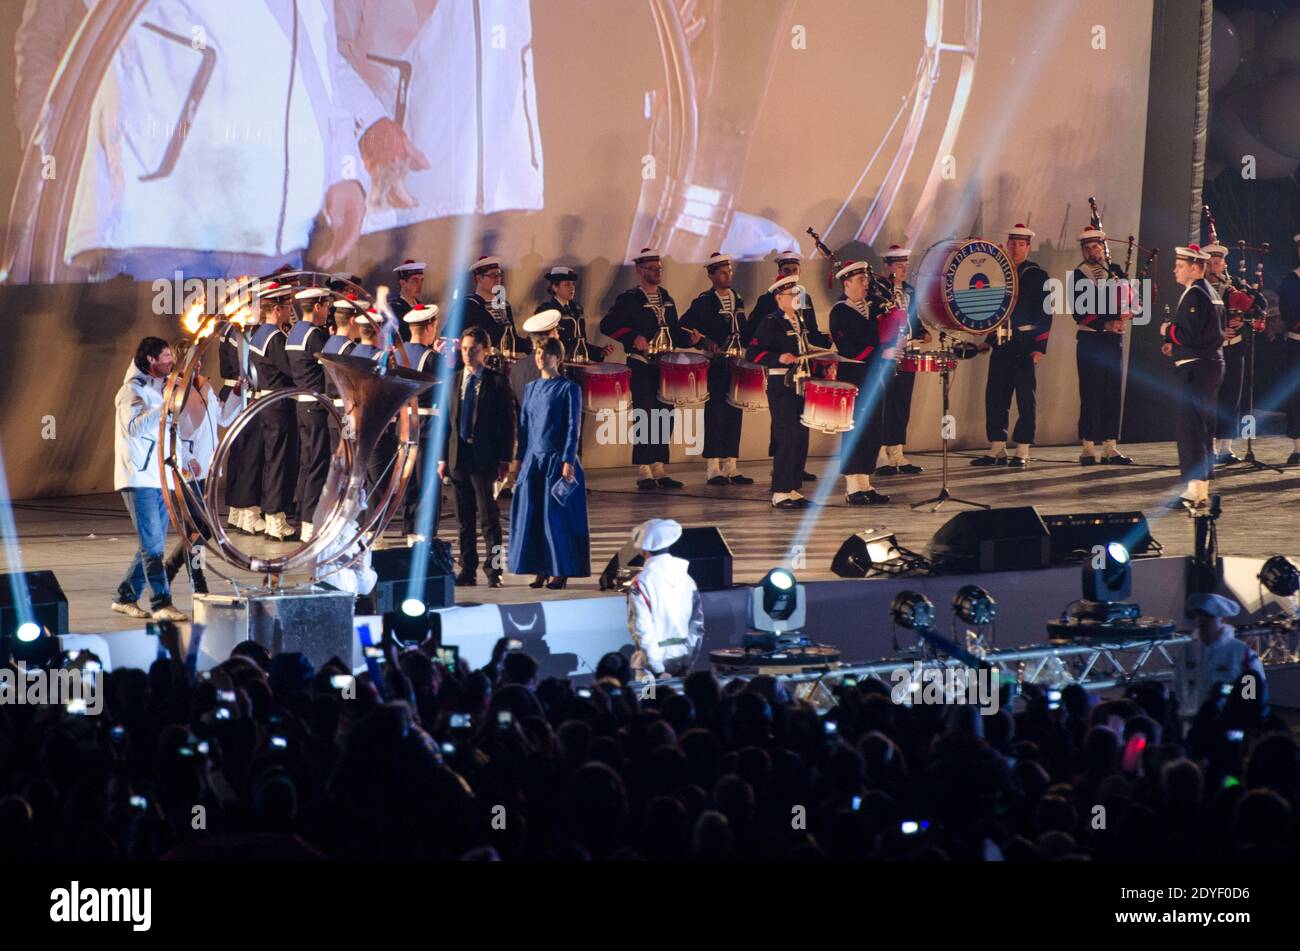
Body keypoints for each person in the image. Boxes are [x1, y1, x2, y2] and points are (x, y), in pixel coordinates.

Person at [600, 248, 696, 490]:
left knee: (665, 415)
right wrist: (633, 337)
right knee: (645, 414)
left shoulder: (667, 298)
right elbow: (607, 324)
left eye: (659, 268)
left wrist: (689, 340)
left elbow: (673, 331)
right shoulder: (629, 298)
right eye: (652, 269)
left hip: (665, 365)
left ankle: (659, 467)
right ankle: (644, 469)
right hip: (641, 364)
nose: (657, 272)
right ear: (640, 271)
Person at [112, 337, 187, 623]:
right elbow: (132, 428)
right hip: (138, 477)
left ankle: (124, 597)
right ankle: (161, 604)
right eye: (166, 356)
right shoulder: (131, 390)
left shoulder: (160, 386)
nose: (171, 361)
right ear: (151, 360)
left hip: (160, 477)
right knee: (153, 547)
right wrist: (164, 408)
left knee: (151, 543)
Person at [508, 336, 590, 590]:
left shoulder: (569, 388)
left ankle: (560, 570)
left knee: (555, 519)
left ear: (558, 357)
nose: (540, 357)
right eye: (537, 353)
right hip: (534, 460)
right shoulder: (531, 387)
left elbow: (572, 427)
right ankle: (540, 568)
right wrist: (518, 459)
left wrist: (568, 459)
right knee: (533, 517)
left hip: (557, 460)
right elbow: (524, 426)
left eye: (545, 353)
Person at [970, 224, 1053, 468]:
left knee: (1026, 399)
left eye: (1020, 244)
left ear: (1028, 247)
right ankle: (997, 449)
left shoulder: (1038, 276)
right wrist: (987, 341)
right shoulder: (998, 274)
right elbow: (994, 311)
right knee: (995, 396)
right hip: (1002, 343)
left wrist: (1040, 347)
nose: (1015, 248)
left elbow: (1046, 313)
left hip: (1026, 344)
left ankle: (1023, 449)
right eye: (1012, 243)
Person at [439, 327, 516, 588]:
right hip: (458, 457)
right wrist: (442, 459)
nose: (468, 354)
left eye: (473, 349)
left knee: (489, 519)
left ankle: (494, 571)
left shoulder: (497, 382)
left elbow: (508, 423)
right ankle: (467, 568)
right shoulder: (453, 380)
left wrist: (505, 458)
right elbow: (445, 424)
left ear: (485, 350)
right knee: (464, 520)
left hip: (485, 458)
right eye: (464, 349)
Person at [747, 275, 828, 508]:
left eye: (797, 293)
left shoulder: (799, 320)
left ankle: (793, 488)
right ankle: (780, 491)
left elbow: (802, 347)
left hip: (801, 383)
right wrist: (778, 358)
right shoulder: (771, 322)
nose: (796, 298)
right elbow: (753, 354)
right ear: (779, 297)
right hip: (781, 384)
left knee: (801, 436)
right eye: (792, 294)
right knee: (786, 435)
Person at [163, 357, 241, 595]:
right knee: (201, 528)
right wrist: (187, 458)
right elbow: (168, 431)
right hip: (187, 470)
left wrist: (237, 392)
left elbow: (224, 418)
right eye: (191, 362)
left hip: (207, 468)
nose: (197, 366)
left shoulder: (204, 386)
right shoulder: (172, 391)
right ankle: (198, 581)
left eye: (198, 361)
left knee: (198, 531)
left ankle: (168, 570)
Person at [1161, 244, 1225, 511]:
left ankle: (1194, 490)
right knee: (1202, 428)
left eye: (1180, 265)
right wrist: (1174, 343)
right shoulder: (1208, 293)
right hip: (1208, 366)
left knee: (1191, 429)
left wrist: (1168, 330)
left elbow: (1193, 335)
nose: (1175, 269)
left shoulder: (1196, 295)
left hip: (1197, 368)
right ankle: (1199, 490)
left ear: (1195, 268)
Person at [682, 251, 752, 486]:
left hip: (735, 363)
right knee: (715, 413)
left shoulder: (737, 299)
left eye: (729, 271)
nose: (727, 275)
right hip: (714, 364)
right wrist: (703, 341)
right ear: (711, 275)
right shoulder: (703, 301)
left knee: (735, 411)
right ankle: (713, 466)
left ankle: (731, 465)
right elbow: (684, 326)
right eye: (722, 272)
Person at [829, 261, 892, 505]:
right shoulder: (840, 311)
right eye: (860, 280)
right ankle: (852, 485)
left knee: (874, 427)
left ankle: (865, 481)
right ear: (847, 283)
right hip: (853, 376)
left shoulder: (874, 306)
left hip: (874, 374)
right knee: (855, 429)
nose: (866, 284)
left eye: (866, 279)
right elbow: (848, 348)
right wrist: (879, 351)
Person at [1073, 227, 1133, 465]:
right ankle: (1088, 447)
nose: (1091, 252)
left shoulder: (1116, 271)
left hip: (1113, 341)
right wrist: (1106, 323)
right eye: (1087, 248)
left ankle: (1110, 447)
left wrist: (1129, 310)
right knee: (1090, 392)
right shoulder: (1079, 275)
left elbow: (1131, 300)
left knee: (1112, 392)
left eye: (1095, 247)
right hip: (1090, 340)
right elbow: (1079, 313)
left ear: (1102, 248)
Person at [246, 282, 298, 540]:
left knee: (271, 462)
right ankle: (276, 518)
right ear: (277, 309)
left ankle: (272, 516)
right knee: (278, 462)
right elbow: (292, 370)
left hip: (267, 405)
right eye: (288, 306)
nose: (291, 310)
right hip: (278, 405)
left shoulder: (258, 333)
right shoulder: (275, 338)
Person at [628, 519, 704, 681]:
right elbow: (697, 626)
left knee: (648, 703)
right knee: (677, 704)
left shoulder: (642, 582)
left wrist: (657, 669)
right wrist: (688, 661)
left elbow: (642, 628)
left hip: (651, 668)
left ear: (643, 550)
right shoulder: (687, 579)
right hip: (682, 658)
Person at [876, 245, 928, 475]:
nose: (903, 270)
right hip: (885, 353)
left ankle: (897, 451)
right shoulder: (876, 290)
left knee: (901, 401)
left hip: (906, 350)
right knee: (882, 402)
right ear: (886, 266)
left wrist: (922, 332)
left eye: (905, 265)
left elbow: (913, 319)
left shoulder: (909, 291)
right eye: (898, 265)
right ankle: (878, 452)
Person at [287, 288, 332, 543]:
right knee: (317, 464)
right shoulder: (315, 335)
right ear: (316, 306)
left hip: (302, 404)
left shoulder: (295, 332)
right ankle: (309, 522)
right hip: (316, 405)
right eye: (326, 306)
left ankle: (303, 516)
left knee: (307, 464)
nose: (327, 311)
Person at [400, 303, 444, 546]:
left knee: (408, 481)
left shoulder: (398, 352)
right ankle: (424, 533)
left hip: (404, 424)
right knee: (427, 482)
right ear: (429, 326)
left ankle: (410, 531)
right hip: (427, 424)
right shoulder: (432, 358)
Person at [218, 308, 265, 536]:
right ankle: (247, 511)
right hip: (241, 394)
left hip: (236, 391)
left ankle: (237, 509)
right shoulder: (240, 329)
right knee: (248, 455)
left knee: (240, 456)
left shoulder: (232, 327)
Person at [1179, 593, 1267, 712]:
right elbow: (1179, 684)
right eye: (1199, 615)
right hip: (1193, 722)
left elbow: (1253, 692)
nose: (1202, 620)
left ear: (1223, 619)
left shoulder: (1241, 652)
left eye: (1208, 616)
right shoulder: (1187, 650)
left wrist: (1224, 691)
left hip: (1229, 722)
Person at [538, 266, 611, 362]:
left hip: (576, 366)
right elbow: (541, 342)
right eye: (567, 284)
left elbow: (580, 342)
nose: (572, 288)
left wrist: (599, 352)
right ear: (555, 287)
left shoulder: (577, 309)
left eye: (573, 284)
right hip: (556, 365)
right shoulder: (546, 310)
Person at [1276, 232, 1300, 465]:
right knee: (1296, 397)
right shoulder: (1292, 280)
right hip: (1297, 344)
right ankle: (1298, 447)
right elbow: (1289, 312)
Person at [388, 260, 426, 342]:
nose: (419, 285)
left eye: (421, 280)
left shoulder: (422, 306)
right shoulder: (394, 308)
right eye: (415, 281)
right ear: (402, 283)